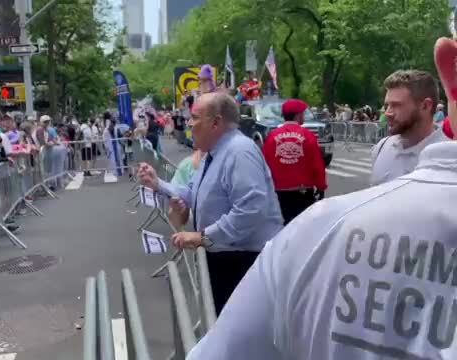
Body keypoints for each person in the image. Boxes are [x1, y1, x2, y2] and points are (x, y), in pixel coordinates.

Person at [187, 138, 457, 359]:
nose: (388, 110)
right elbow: (315, 164)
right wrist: (320, 187)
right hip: (303, 196)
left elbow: (227, 347)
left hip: (281, 215)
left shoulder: (318, 225)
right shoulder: (314, 154)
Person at [137, 92, 283, 314]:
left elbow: (250, 210)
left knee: (238, 333)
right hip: (226, 258)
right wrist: (158, 185)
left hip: (243, 262)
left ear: (216, 122)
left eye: (195, 117)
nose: (188, 123)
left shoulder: (239, 151)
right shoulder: (213, 154)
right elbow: (192, 192)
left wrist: (203, 237)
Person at [371, 70, 449, 186]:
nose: (387, 113)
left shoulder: (450, 155)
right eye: (387, 105)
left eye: (396, 105)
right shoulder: (381, 147)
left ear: (425, 106)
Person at [262, 99, 327, 224]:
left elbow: (264, 164)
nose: (304, 117)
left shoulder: (272, 136)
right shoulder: (308, 135)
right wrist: (321, 186)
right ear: (297, 115)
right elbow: (317, 164)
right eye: (302, 114)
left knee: (282, 227)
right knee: (302, 227)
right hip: (302, 192)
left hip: (279, 192)